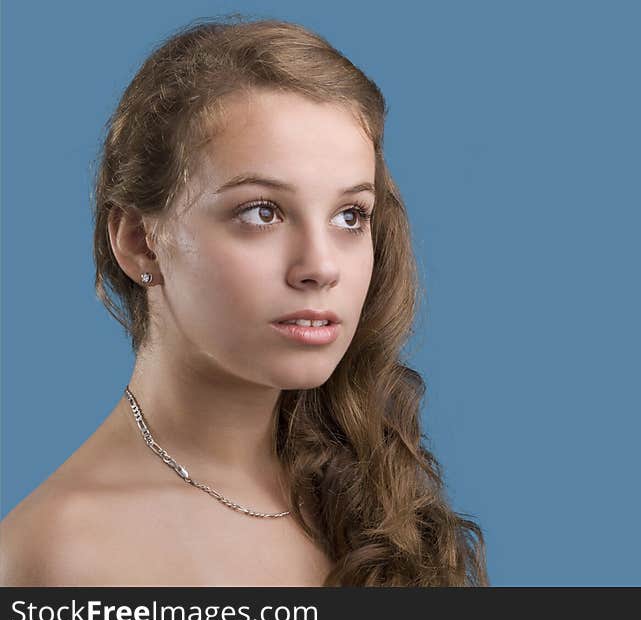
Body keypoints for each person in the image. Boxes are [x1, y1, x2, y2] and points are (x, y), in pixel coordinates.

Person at [0, 16, 488, 587]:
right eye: (262, 212)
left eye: (349, 216)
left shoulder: (370, 486)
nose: (321, 267)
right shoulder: (61, 559)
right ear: (139, 242)